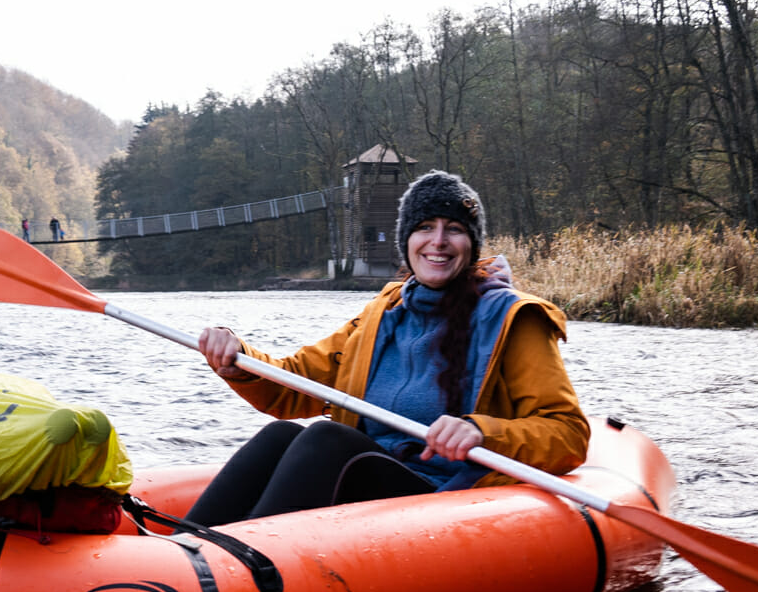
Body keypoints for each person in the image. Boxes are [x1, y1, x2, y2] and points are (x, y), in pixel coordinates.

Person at [187, 170, 588, 525]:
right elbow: (296, 385)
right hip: (367, 484)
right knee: (280, 435)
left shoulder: (513, 320)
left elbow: (568, 434)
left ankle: (239, 568)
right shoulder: (384, 312)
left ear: (472, 243)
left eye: (455, 229)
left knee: (328, 439)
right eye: (426, 227)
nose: (439, 241)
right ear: (407, 240)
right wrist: (237, 357)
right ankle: (184, 548)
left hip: (445, 491)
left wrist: (481, 431)